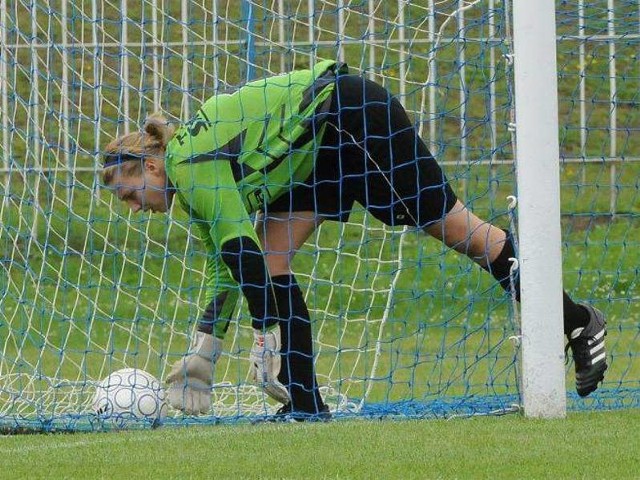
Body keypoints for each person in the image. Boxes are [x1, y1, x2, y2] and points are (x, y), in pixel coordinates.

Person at [101, 60, 607, 420]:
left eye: (130, 193)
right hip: (313, 148)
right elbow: (231, 266)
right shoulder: (191, 182)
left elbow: (238, 250)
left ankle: (578, 322)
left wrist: (264, 337)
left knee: (461, 231)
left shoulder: (189, 166)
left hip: (350, 117)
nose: (134, 207)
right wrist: (203, 354)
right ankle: (305, 404)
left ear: (150, 165)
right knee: (272, 260)